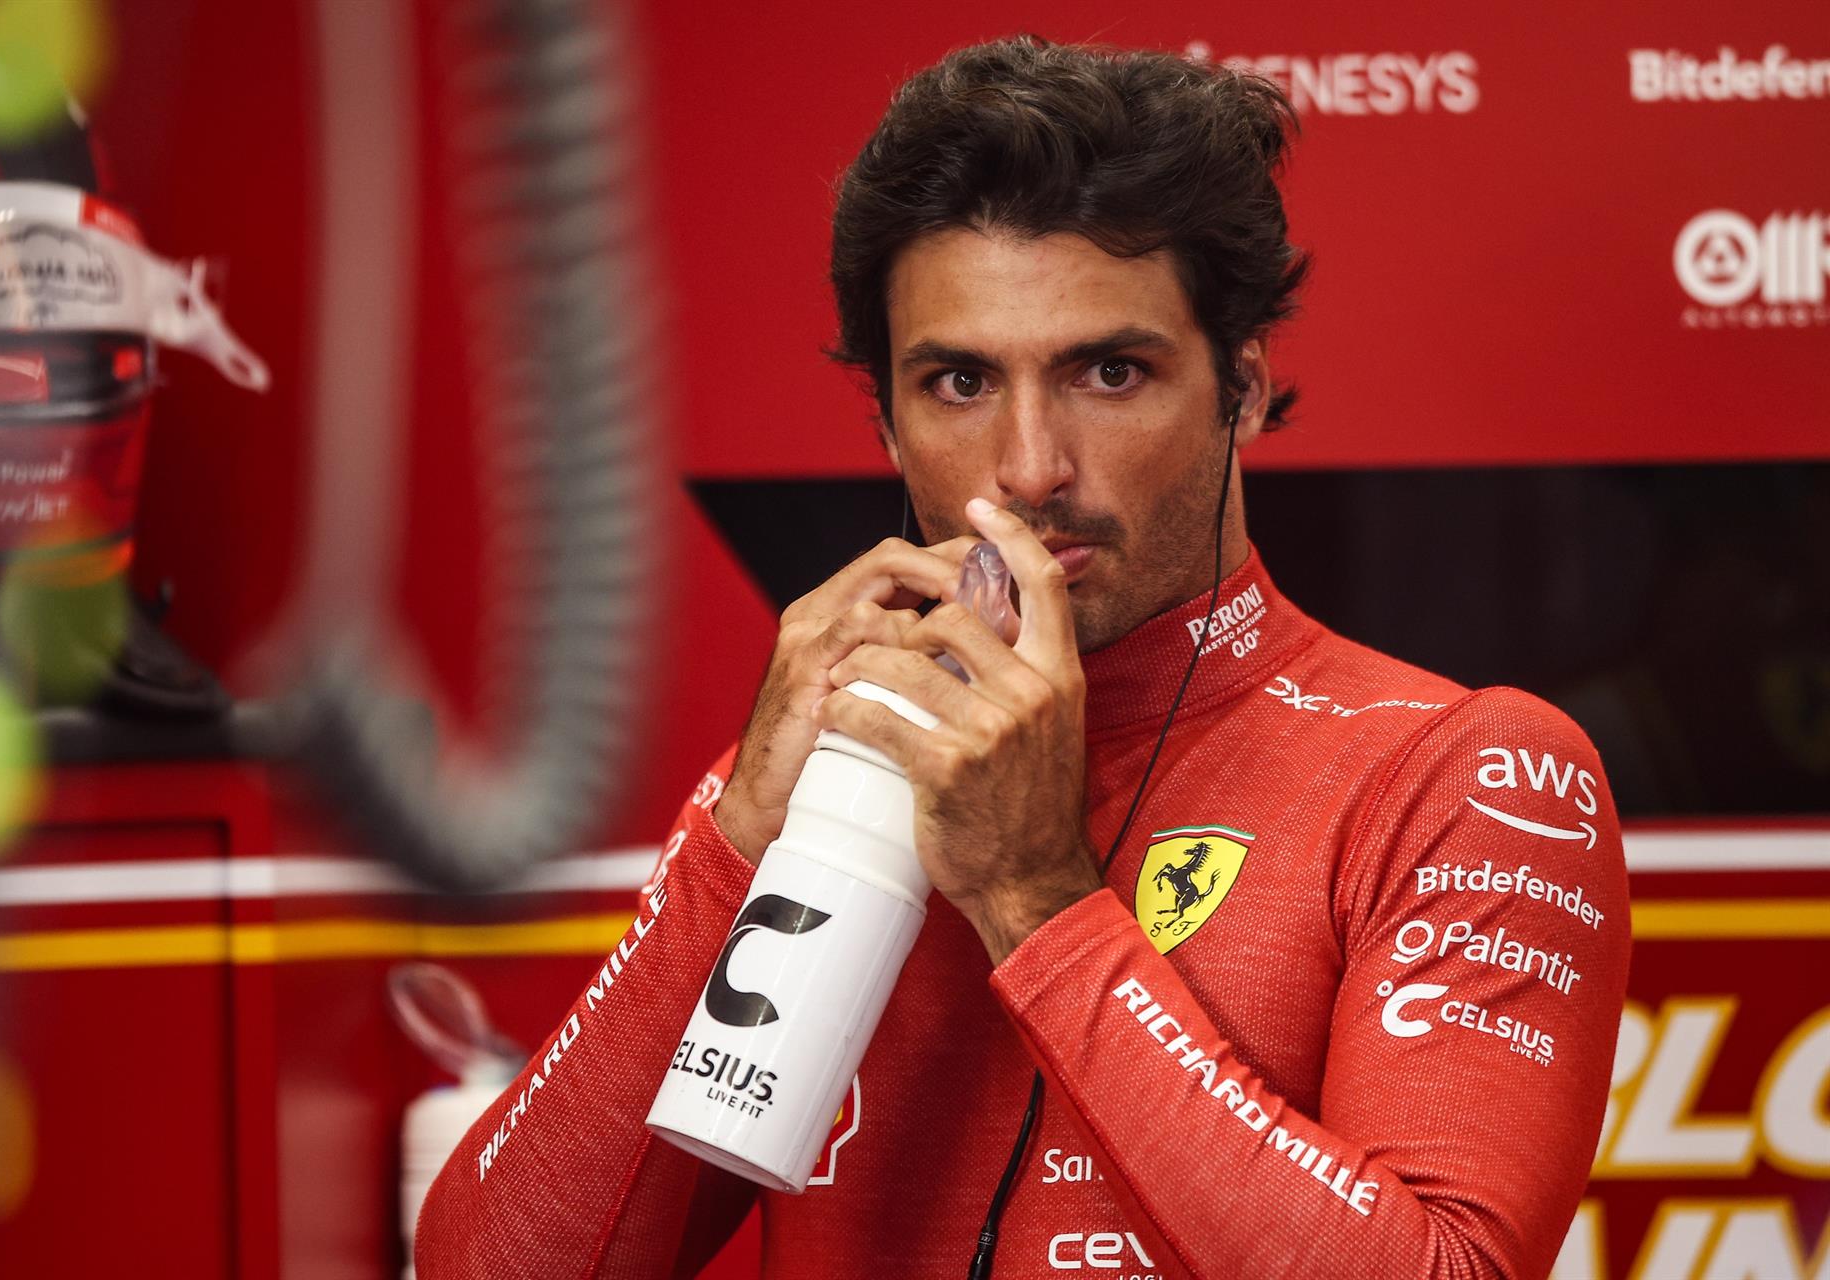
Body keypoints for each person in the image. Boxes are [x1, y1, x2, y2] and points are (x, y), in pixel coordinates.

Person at [415, 37, 1629, 1279]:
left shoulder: (1464, 773)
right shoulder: (846, 758)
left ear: (1245, 386)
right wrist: (734, 846)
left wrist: (1037, 901)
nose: (1032, 466)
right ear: (888, 423)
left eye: (1110, 371)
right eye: (960, 381)